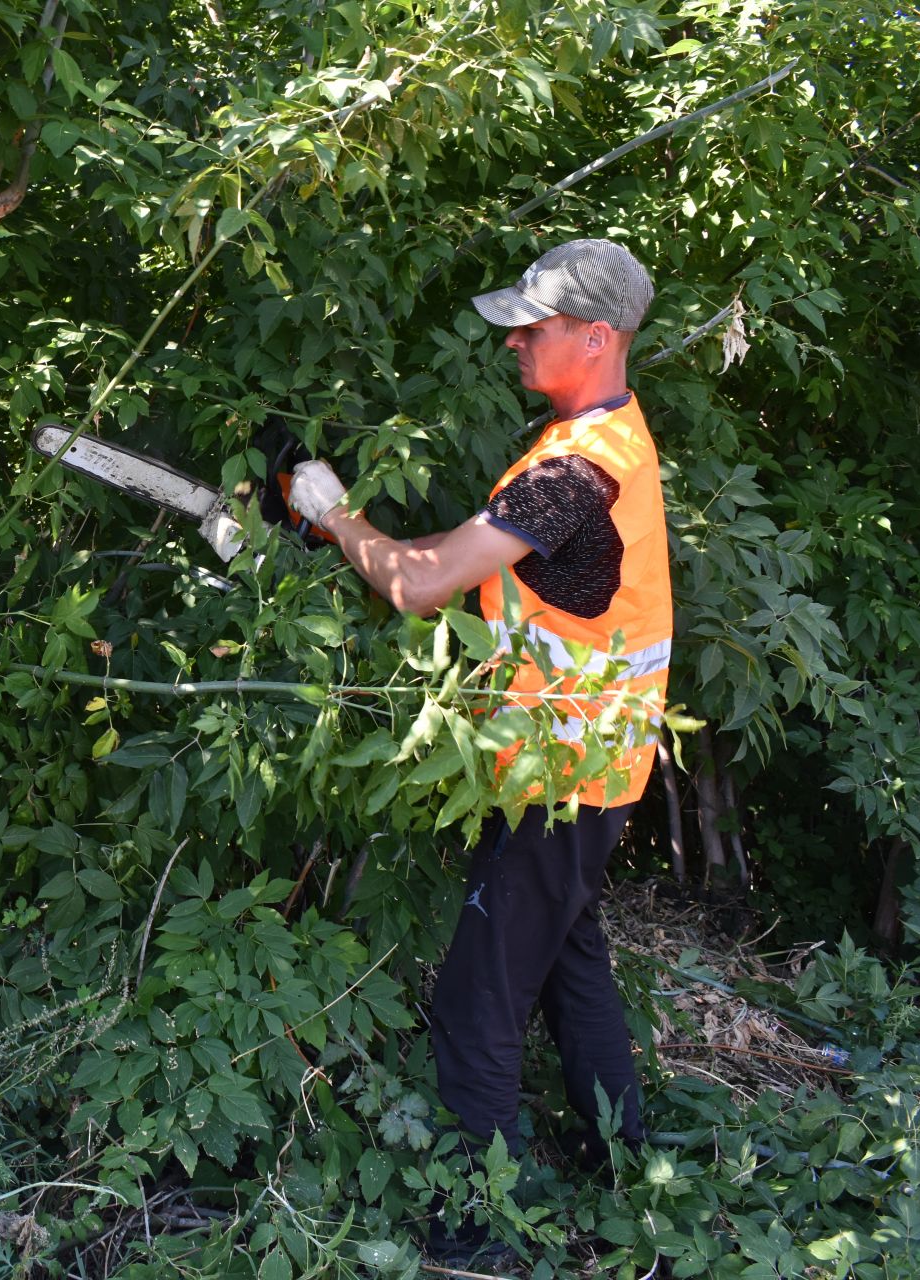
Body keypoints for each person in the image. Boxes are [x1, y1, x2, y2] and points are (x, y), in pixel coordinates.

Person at [287, 238, 670, 1209]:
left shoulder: (575, 470)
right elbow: (457, 561)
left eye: (529, 329)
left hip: (559, 775)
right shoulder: (603, 440)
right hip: (592, 765)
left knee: (474, 1002)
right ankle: (623, 1162)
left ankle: (486, 1219)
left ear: (596, 334)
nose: (511, 344)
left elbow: (420, 587)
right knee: (569, 965)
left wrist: (334, 515)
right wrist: (349, 535)